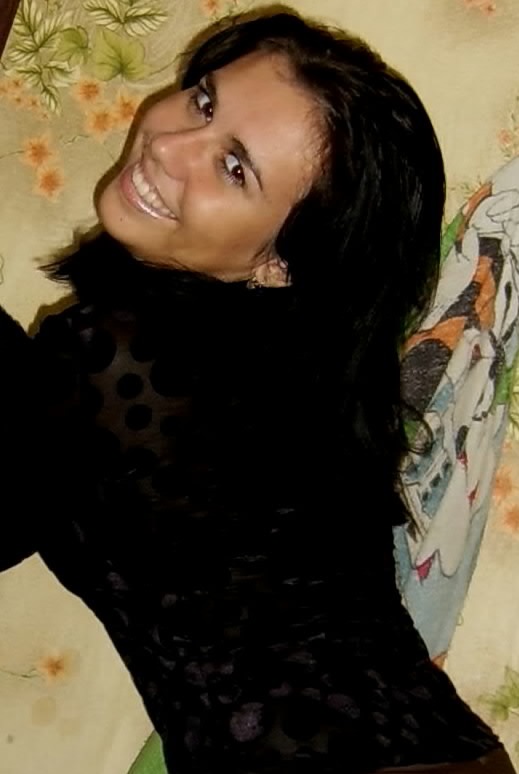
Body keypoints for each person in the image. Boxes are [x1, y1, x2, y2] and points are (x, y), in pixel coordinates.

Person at [0, 8, 515, 774]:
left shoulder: (121, 355)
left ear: (281, 263)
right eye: (203, 101)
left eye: (234, 167)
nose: (169, 146)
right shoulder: (288, 390)